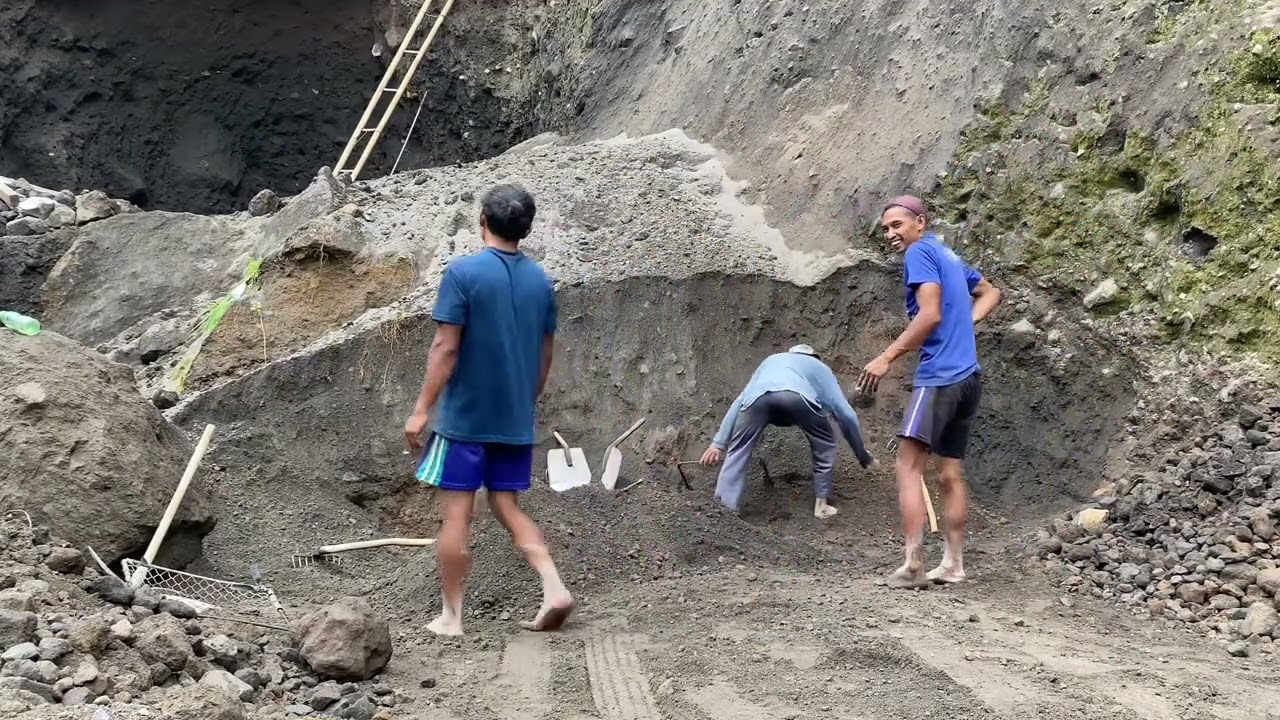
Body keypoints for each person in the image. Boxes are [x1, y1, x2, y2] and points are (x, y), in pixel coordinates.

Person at [403, 182, 574, 636]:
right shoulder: (541, 282)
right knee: (507, 505)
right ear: (526, 229)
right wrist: (526, 401)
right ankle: (553, 586)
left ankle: (452, 617)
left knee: (457, 515)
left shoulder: (463, 274)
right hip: (514, 419)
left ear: (482, 223)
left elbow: (445, 346)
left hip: (464, 421)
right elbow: (545, 354)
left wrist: (422, 408)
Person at [856, 195, 1002, 589]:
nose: (890, 234)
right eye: (886, 228)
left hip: (940, 376)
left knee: (907, 466)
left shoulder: (919, 253)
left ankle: (914, 564)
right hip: (969, 378)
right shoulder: (948, 255)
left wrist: (886, 357)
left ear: (920, 222)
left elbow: (930, 313)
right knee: (950, 472)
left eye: (897, 225)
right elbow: (990, 292)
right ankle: (953, 565)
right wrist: (966, 326)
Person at [701, 344, 877, 519]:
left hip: (757, 399)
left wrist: (719, 443)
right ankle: (821, 505)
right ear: (814, 357)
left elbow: (740, 401)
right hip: (797, 398)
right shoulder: (820, 368)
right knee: (825, 442)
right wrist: (862, 455)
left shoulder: (771, 360)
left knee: (738, 448)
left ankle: (724, 510)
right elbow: (846, 414)